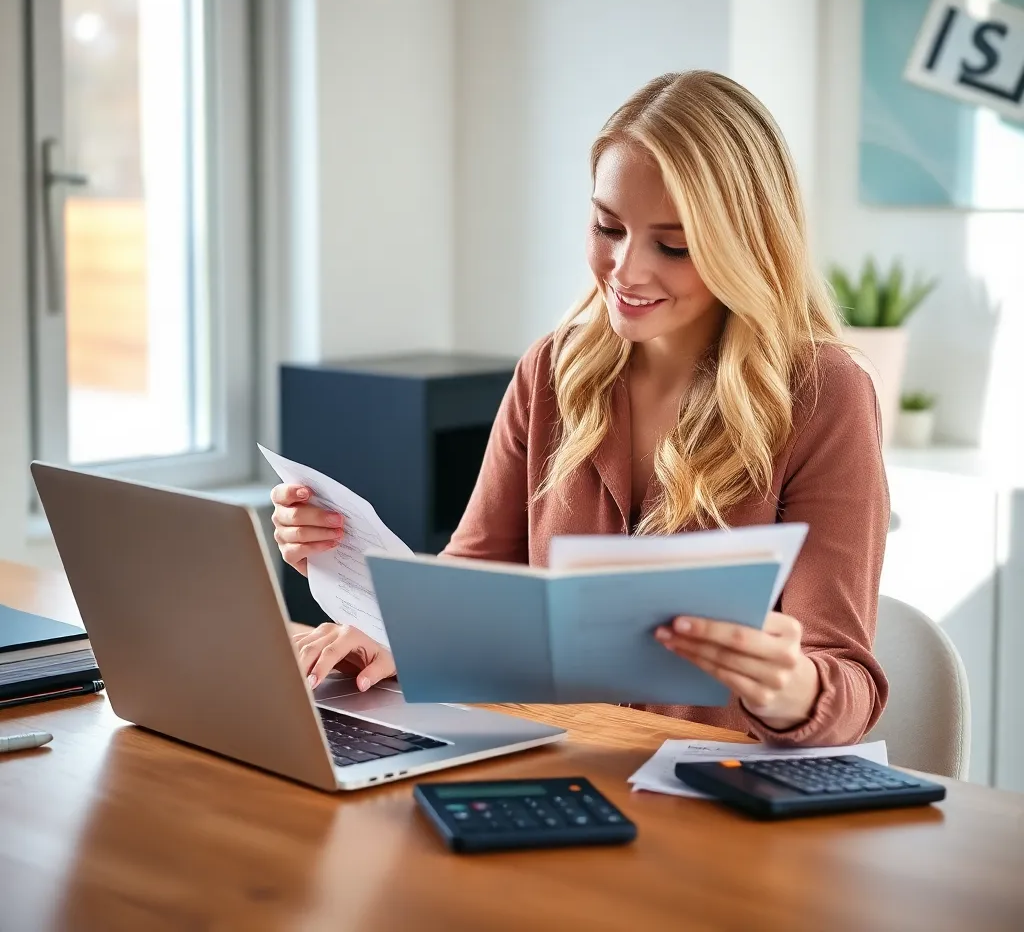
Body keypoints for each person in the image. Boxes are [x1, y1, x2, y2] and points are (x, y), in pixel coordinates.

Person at [274, 71, 889, 746]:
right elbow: (476, 577)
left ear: (745, 242)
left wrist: (792, 690)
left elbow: (848, 681)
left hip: (715, 795)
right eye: (607, 226)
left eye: (673, 245)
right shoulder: (552, 370)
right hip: (548, 761)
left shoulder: (823, 395)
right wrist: (377, 616)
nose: (626, 269)